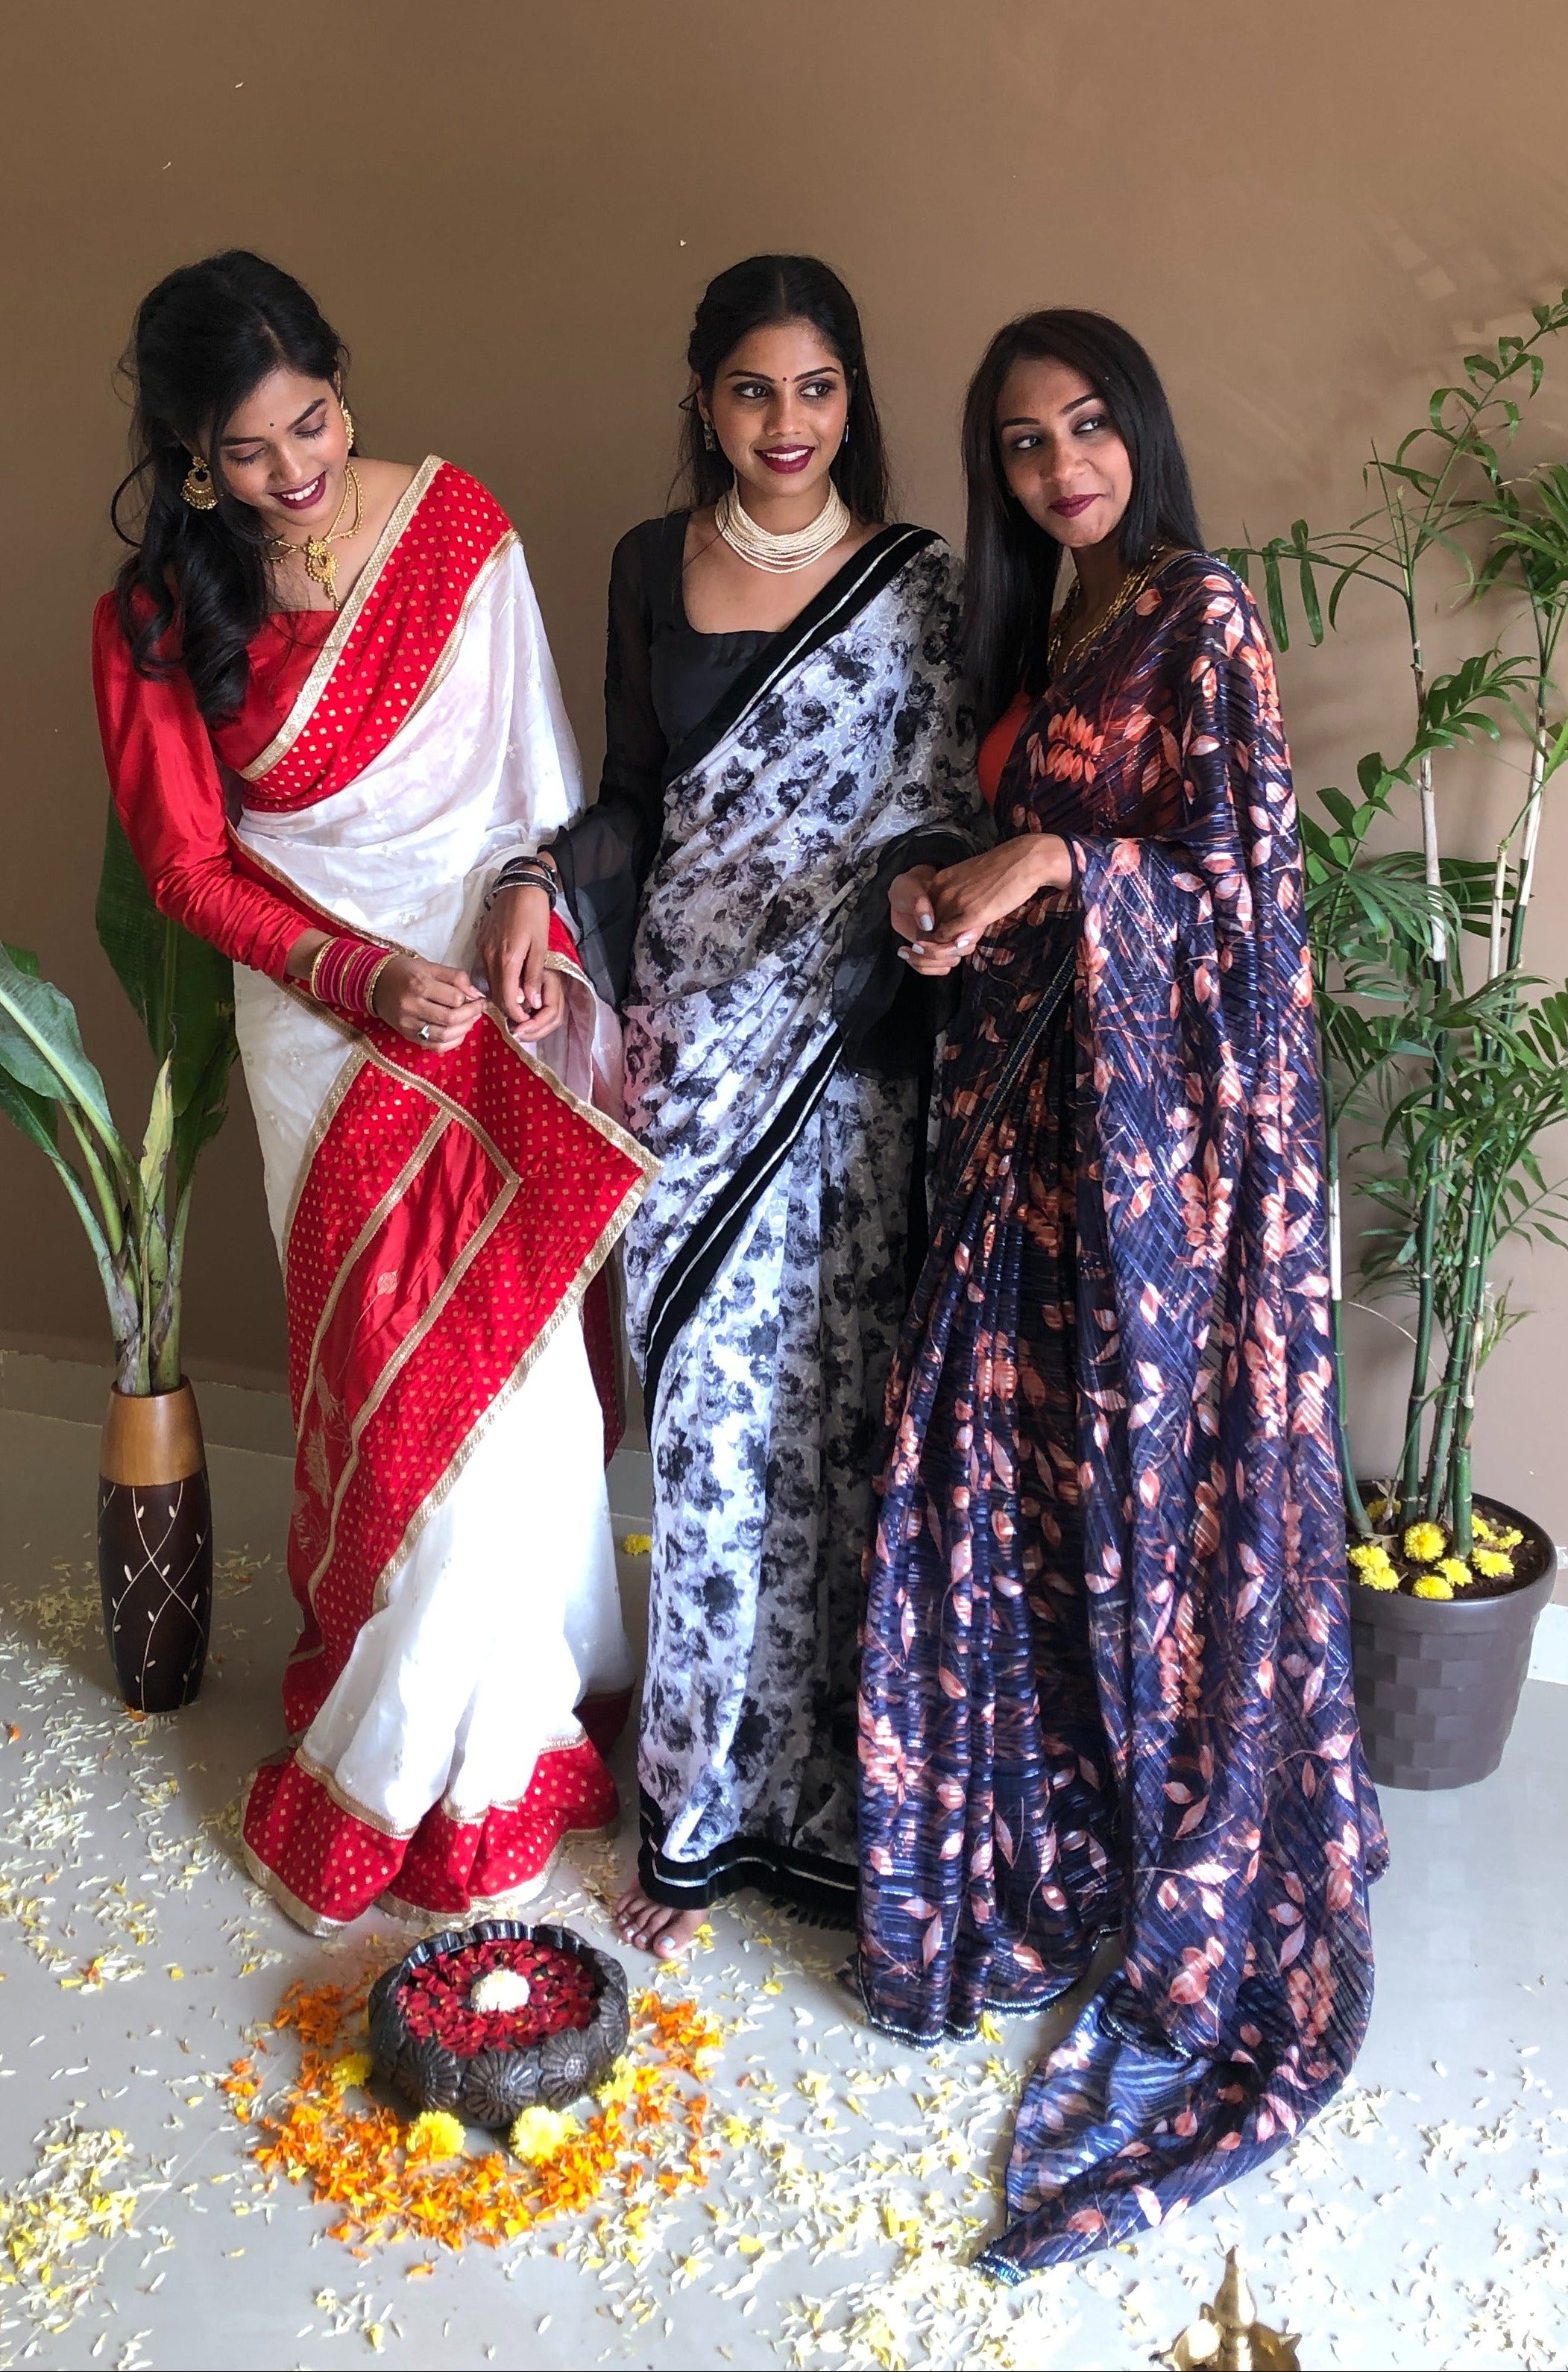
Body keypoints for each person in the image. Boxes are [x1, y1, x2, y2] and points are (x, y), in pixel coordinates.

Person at [853, 309, 1388, 2273]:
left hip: (1146, 1186)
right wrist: (954, 890)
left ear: (1141, 429)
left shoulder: (1199, 613)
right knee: (986, 1493)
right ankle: (1025, 1858)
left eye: (1089, 425)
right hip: (1019, 1133)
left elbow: (1247, 893)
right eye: (1021, 440)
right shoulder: (1052, 625)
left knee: (1125, 1513)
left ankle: (1145, 1869)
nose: (1063, 461)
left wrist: (1053, 873)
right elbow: (1016, 843)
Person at [92, 250, 652, 1935]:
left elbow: (538, 793)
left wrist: (519, 920)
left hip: (485, 995)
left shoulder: (459, 536)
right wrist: (351, 977)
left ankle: (514, 1743)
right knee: (404, 1389)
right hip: (322, 1028)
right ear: (194, 457)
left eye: (313, 422)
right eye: (247, 452)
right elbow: (187, 862)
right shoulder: (152, 613)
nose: (294, 473)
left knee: (524, 1398)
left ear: (344, 382)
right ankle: (409, 1748)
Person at [535, 254, 983, 1958]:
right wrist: (532, 876)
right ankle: (702, 1815)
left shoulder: (916, 586)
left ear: (851, 395)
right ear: (701, 399)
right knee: (709, 1438)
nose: (782, 425)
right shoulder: (651, 564)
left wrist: (869, 912)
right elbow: (632, 804)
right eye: (747, 391)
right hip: (685, 1055)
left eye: (811, 390)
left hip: (849, 1066)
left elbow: (940, 813)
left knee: (842, 1428)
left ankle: (843, 1814)